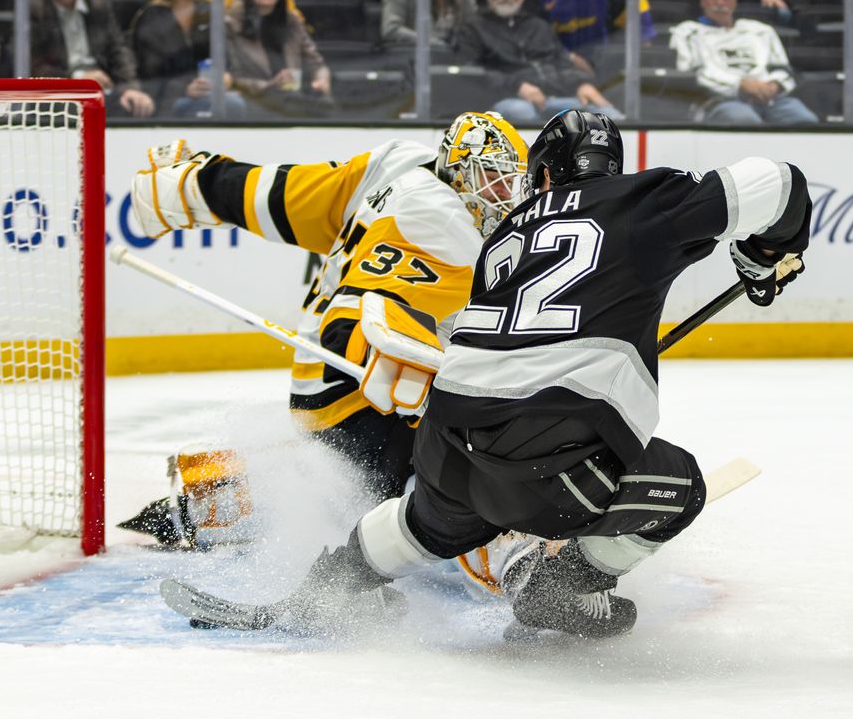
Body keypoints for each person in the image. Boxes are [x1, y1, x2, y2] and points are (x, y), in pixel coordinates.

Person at [167, 110, 812, 640]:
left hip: (446, 445)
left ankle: (329, 589)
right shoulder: (642, 200)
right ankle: (563, 584)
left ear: (542, 174)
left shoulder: (502, 238)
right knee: (678, 486)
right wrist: (765, 256)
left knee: (423, 525)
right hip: (550, 456)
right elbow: (780, 181)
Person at [121, 112, 531, 547]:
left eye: (511, 181)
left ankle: (212, 494)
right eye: (492, 178)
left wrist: (196, 182)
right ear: (458, 170)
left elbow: (284, 196)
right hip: (359, 392)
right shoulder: (442, 227)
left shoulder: (396, 163)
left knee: (351, 493)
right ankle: (509, 554)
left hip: (322, 377)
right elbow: (357, 318)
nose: (504, 195)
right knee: (460, 490)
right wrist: (406, 373)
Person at [455, 0, 624, 123]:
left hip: (557, 99)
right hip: (507, 101)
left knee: (608, 115)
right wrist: (517, 86)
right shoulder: (473, 28)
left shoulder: (538, 26)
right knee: (522, 113)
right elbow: (472, 72)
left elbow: (561, 61)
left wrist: (582, 84)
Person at [670, 0, 819, 125]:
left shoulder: (760, 30)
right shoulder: (687, 32)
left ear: (735, 0)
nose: (720, 2)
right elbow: (693, 74)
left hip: (771, 100)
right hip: (721, 101)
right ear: (702, 0)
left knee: (805, 120)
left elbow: (783, 70)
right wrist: (741, 85)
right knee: (746, 121)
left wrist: (774, 85)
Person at [30, 0, 155, 119]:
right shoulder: (33, 9)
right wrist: (78, 79)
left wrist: (130, 88)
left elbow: (118, 51)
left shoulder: (99, 5)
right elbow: (32, 65)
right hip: (57, 93)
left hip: (102, 90)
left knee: (136, 106)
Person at [130, 0, 248, 118]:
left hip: (211, 98)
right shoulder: (153, 17)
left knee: (236, 105)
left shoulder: (208, 13)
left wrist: (226, 77)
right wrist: (184, 88)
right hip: (167, 102)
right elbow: (150, 75)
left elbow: (229, 61)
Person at [225, 0, 333, 118]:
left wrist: (321, 80)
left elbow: (317, 64)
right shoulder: (231, 24)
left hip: (293, 99)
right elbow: (231, 77)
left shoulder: (292, 22)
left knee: (326, 105)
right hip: (253, 102)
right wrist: (271, 85)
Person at [537, 0, 657, 66]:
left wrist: (643, 40)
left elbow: (644, 38)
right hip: (551, 65)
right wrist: (569, 57)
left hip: (600, 61)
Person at [380, 0, 477, 49]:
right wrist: (432, 43)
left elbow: (475, 27)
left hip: (455, 61)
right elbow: (391, 29)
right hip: (413, 61)